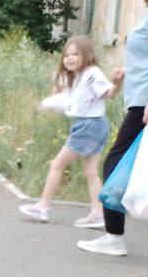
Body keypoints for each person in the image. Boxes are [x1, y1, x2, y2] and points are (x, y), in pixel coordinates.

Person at [79, 0, 148, 256]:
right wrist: (129, 69)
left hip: (146, 104)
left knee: (115, 161)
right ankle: (113, 233)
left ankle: (114, 236)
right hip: (143, 98)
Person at [19, 36, 120, 226]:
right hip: (94, 125)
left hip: (88, 126)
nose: (70, 58)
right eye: (67, 55)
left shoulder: (92, 73)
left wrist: (117, 83)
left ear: (87, 55)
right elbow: (70, 100)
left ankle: (43, 207)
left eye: (75, 54)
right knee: (90, 171)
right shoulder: (78, 76)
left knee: (57, 164)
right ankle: (98, 213)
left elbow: (109, 94)